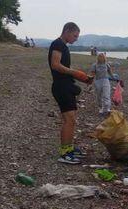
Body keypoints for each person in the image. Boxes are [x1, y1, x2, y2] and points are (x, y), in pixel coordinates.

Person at [48, 22, 93, 164]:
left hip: (67, 86)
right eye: (75, 35)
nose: (76, 39)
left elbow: (64, 68)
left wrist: (82, 77)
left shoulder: (63, 46)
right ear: (67, 31)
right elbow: (55, 65)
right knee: (69, 120)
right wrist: (75, 72)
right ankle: (64, 154)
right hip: (61, 87)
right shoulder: (57, 44)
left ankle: (69, 148)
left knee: (72, 120)